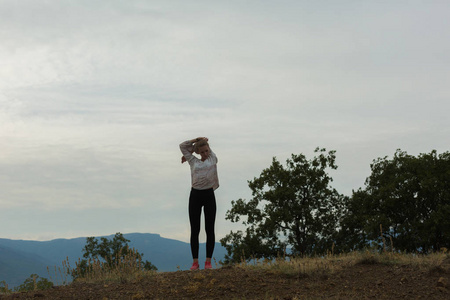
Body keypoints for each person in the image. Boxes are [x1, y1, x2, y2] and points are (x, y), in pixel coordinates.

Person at [180, 137, 219, 270]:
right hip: (195, 195)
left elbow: (207, 147)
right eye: (202, 152)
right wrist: (195, 140)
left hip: (209, 195)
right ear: (197, 152)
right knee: (195, 229)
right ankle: (195, 262)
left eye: (206, 151)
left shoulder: (213, 158)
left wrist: (203, 142)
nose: (205, 154)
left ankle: (208, 261)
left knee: (209, 229)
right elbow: (183, 146)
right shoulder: (193, 161)